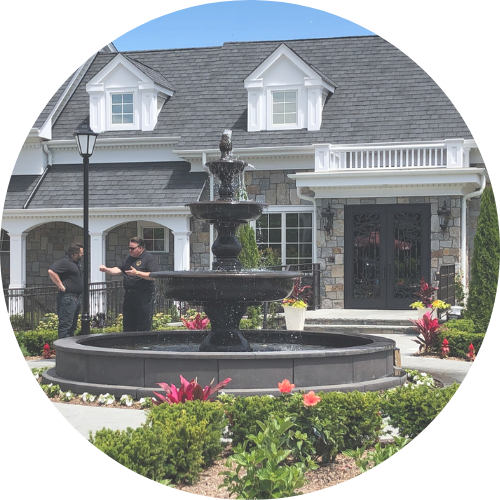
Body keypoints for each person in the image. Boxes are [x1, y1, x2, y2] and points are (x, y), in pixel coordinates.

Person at [99, 237, 158, 332]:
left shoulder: (149, 258)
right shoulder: (129, 258)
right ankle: (128, 341)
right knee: (128, 324)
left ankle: (143, 341)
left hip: (143, 296)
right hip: (129, 295)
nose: (130, 250)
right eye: (129, 248)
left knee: (143, 324)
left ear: (140, 248)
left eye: (132, 248)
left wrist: (137, 273)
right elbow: (119, 269)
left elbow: (153, 276)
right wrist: (107, 269)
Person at [48, 243, 84, 339]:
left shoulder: (75, 263)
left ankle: (70, 346)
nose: (82, 254)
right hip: (68, 298)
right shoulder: (64, 262)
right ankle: (63, 347)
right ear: (75, 254)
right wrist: (60, 285)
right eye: (81, 253)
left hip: (75, 298)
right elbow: (51, 271)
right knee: (65, 326)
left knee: (72, 326)